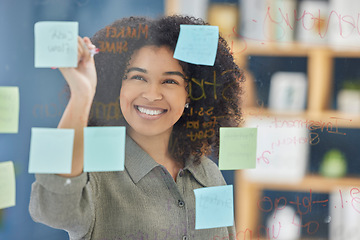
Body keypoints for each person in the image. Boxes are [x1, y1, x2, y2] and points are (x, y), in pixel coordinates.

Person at [29, 15, 243, 240]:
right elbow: (52, 210)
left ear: (191, 95)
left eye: (170, 81)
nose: (152, 95)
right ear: (115, 87)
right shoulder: (96, 170)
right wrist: (82, 94)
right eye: (138, 77)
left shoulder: (208, 175)